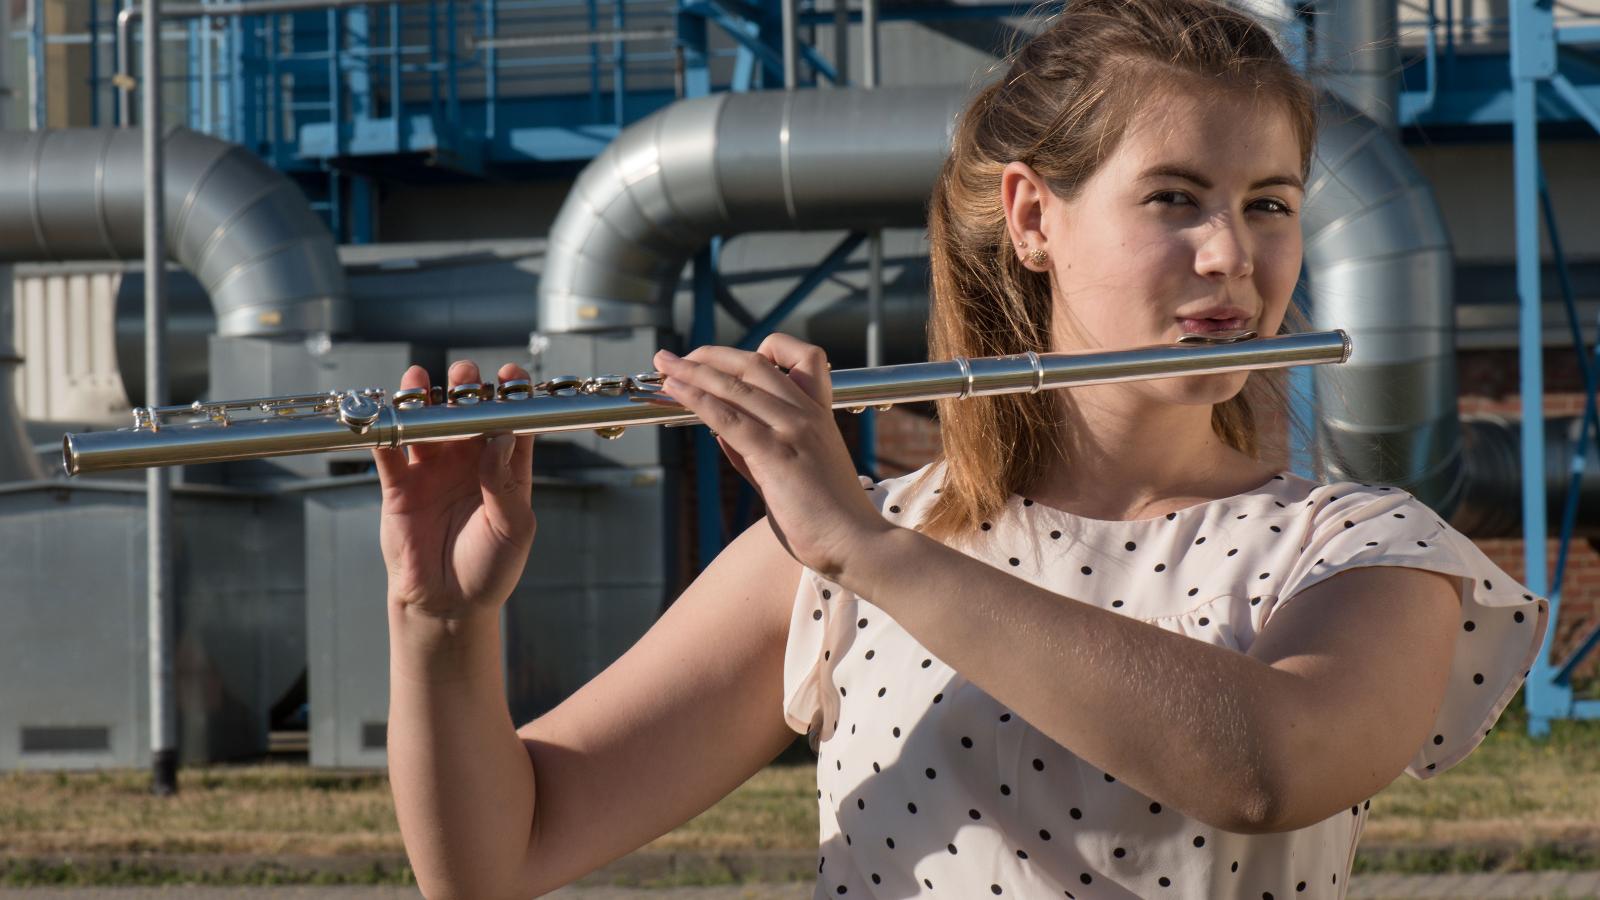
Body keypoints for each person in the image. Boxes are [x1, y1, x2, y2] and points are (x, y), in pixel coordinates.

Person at [378, 1, 1550, 897]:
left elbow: (1266, 767)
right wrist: (440, 622)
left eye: (1269, 203)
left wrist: (866, 550)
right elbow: (498, 855)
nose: (1229, 256)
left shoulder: (1366, 554)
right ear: (1035, 218)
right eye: (1175, 199)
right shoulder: (835, 562)